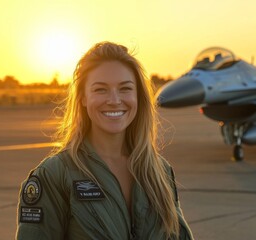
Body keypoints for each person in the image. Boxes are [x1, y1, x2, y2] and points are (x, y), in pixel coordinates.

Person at [16, 41, 194, 239]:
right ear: (83, 98)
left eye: (125, 89)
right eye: (101, 89)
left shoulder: (158, 171)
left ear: (138, 97)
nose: (114, 100)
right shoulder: (55, 175)